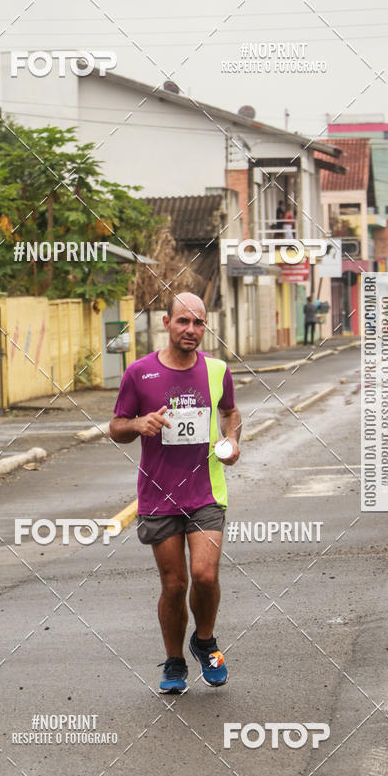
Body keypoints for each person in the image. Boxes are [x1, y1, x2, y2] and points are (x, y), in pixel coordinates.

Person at [109, 292, 241, 694]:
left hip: (206, 492)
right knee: (174, 584)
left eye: (199, 323)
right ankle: (174, 661)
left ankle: (205, 641)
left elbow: (230, 413)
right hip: (158, 495)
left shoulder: (217, 370)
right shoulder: (139, 372)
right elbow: (116, 427)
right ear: (166, 323)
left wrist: (232, 442)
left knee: (205, 574)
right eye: (184, 321)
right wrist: (139, 424)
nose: (191, 330)